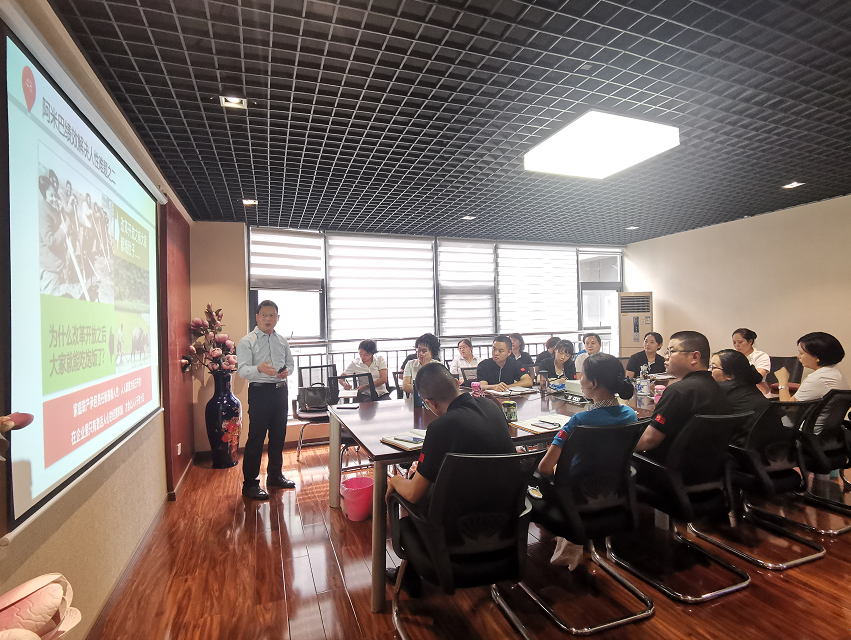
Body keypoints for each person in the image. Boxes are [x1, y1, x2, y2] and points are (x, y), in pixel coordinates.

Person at [384, 362, 515, 594]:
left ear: (430, 403)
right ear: (456, 383)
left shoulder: (440, 428)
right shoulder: (492, 406)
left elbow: (413, 494)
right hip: (504, 524)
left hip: (454, 534)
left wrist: (394, 481)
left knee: (412, 496)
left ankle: (410, 580)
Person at [635, 331, 732, 462]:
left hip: (667, 468)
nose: (666, 357)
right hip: (709, 467)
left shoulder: (678, 391)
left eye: (671, 351)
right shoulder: (716, 388)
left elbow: (649, 440)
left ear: (694, 357)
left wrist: (621, 448)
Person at [538, 353, 637, 476]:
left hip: (578, 485)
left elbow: (545, 467)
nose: (580, 380)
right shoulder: (630, 415)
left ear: (593, 383)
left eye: (582, 375)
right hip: (618, 484)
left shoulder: (579, 421)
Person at [236, 300, 296, 500]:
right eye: (264, 315)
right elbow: (242, 370)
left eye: (272, 315)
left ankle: (275, 476)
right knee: (256, 438)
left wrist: (287, 372)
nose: (268, 319)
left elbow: (290, 364)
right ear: (257, 317)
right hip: (260, 393)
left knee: (278, 436)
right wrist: (259, 369)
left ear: (278, 318)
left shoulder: (282, 341)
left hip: (280, 392)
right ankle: (250, 484)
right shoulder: (247, 341)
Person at [775, 332, 849, 418]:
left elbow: (787, 407)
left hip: (803, 425)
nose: (798, 356)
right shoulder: (834, 372)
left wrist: (782, 382)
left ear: (817, 357)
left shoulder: (819, 378)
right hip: (827, 425)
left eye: (801, 353)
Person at [710, 349, 771, 446]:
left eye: (713, 367)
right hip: (767, 448)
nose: (709, 371)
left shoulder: (720, 392)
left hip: (737, 448)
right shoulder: (750, 388)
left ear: (730, 375)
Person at [732, 328, 770, 392]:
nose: (736, 345)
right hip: (735, 389)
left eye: (740, 342)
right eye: (734, 342)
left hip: (756, 389)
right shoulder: (732, 356)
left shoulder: (761, 356)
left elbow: (758, 376)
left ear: (750, 342)